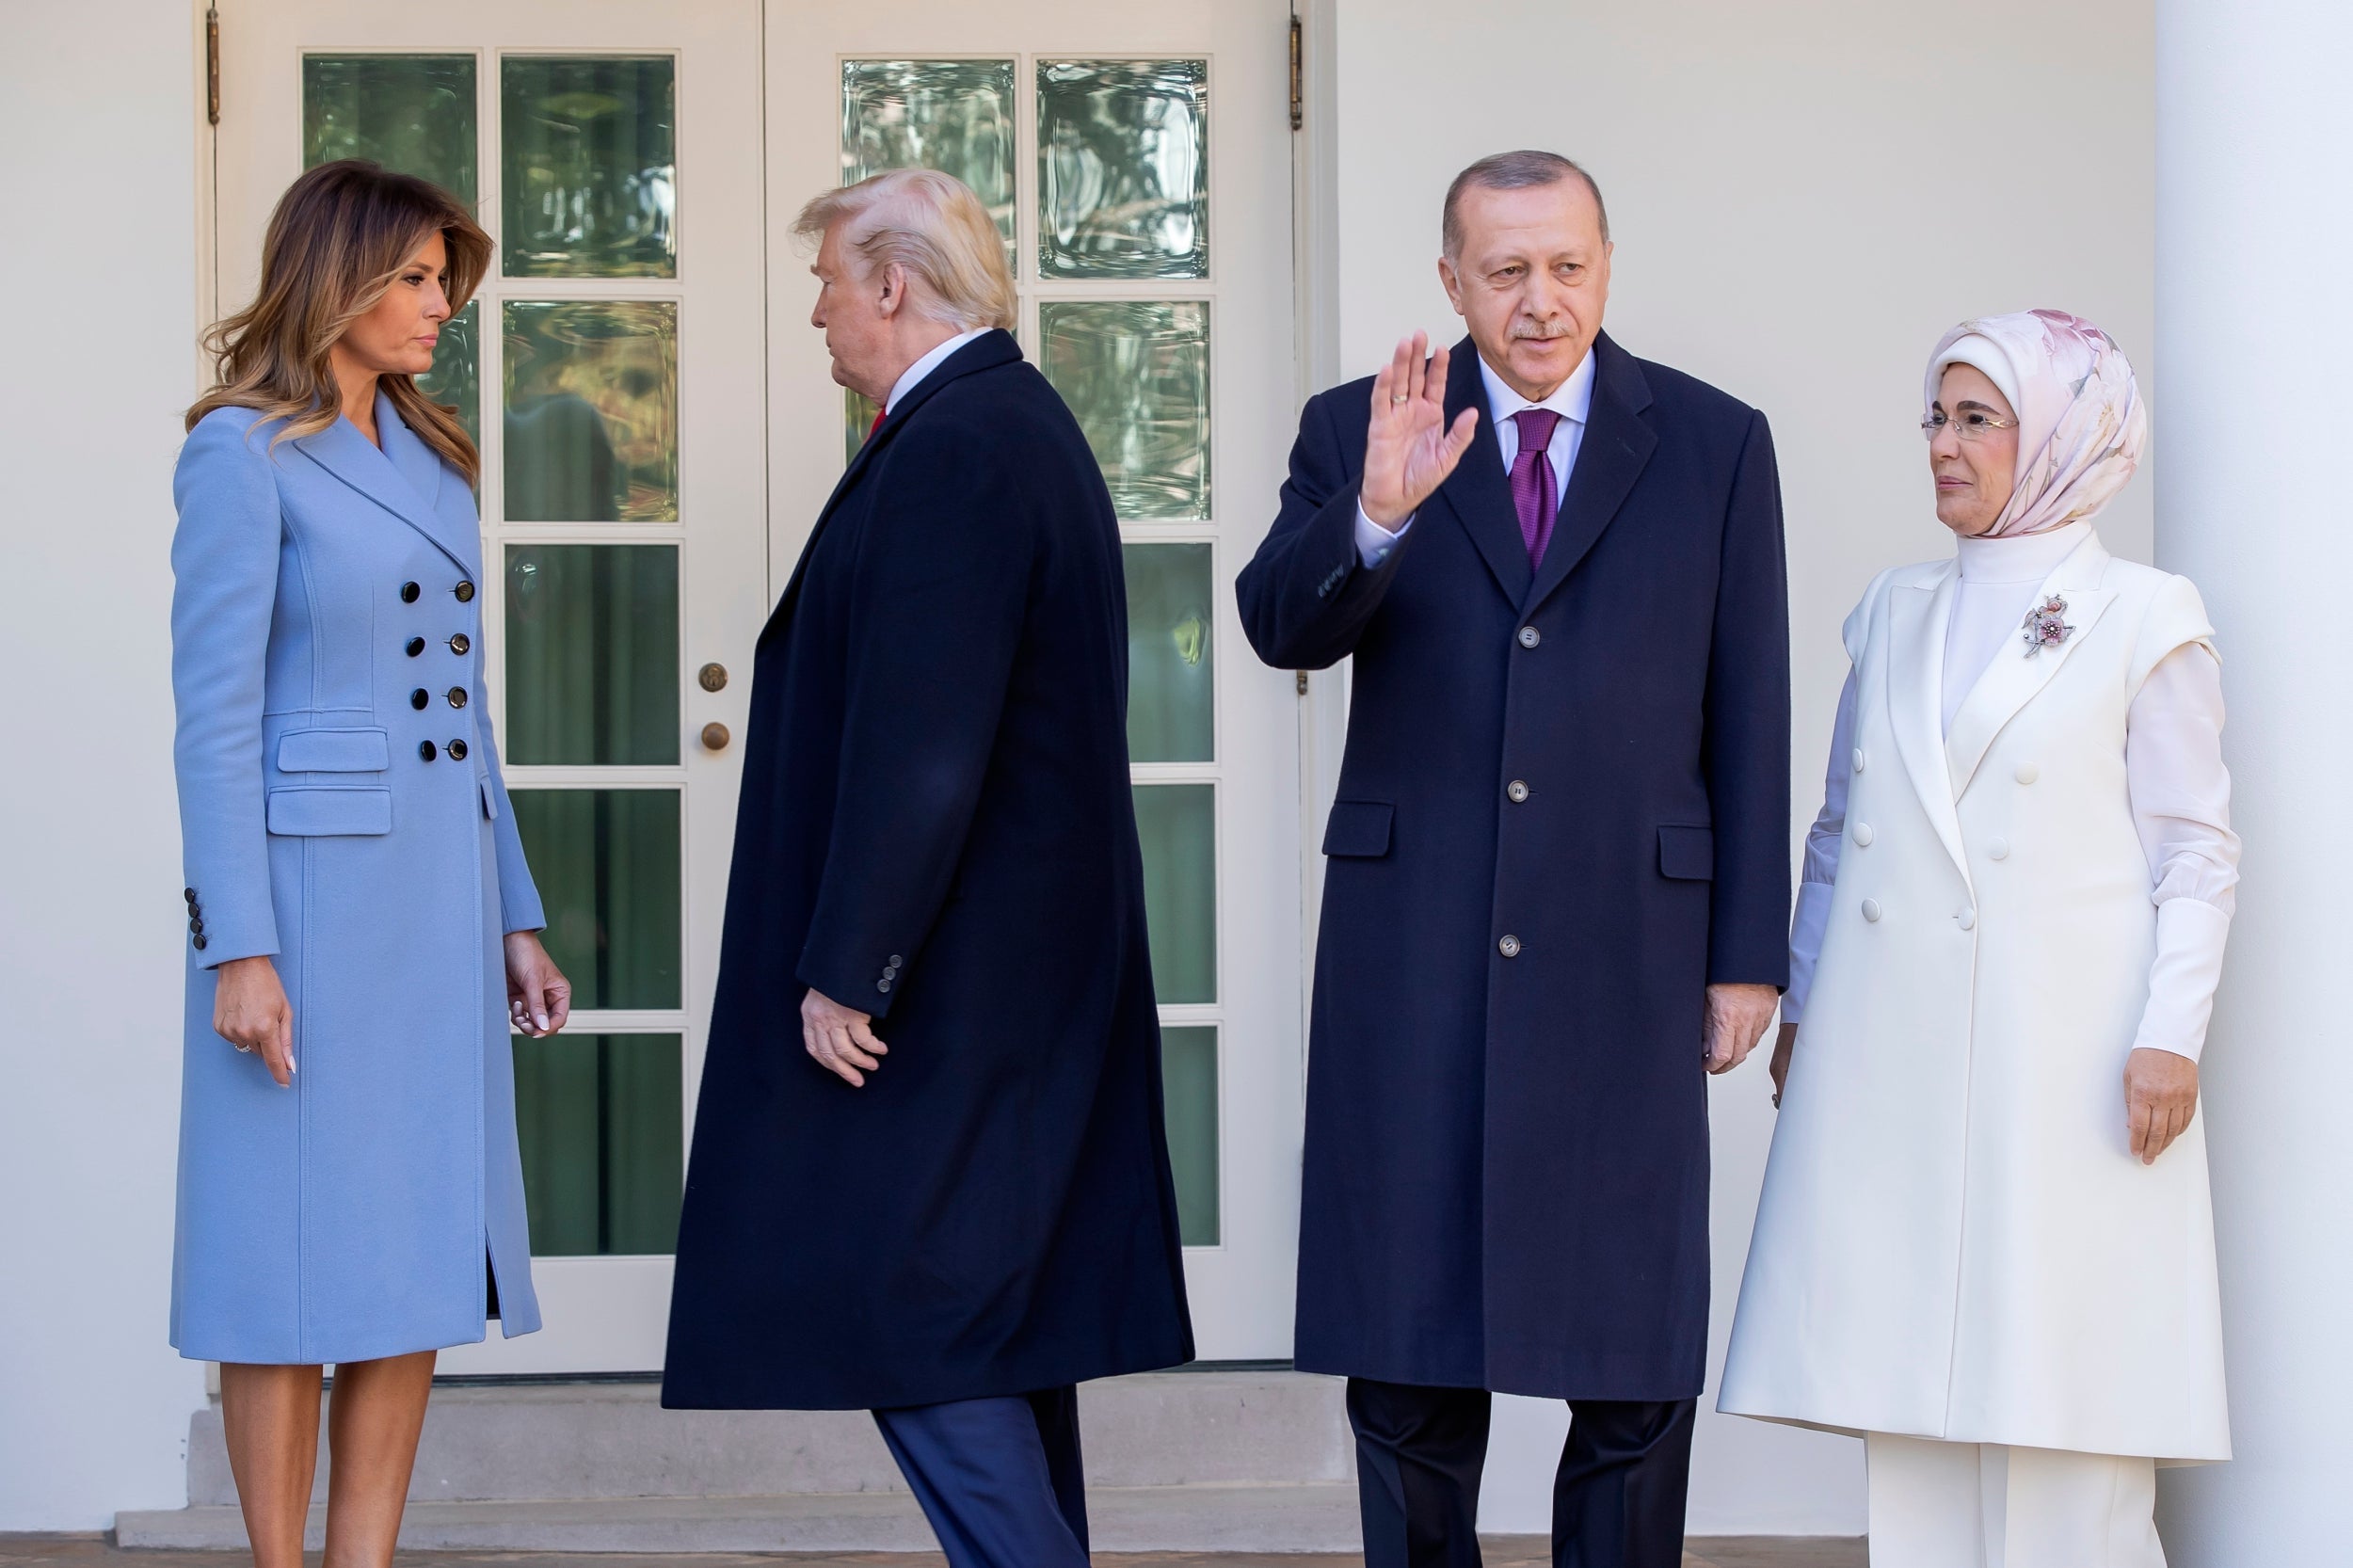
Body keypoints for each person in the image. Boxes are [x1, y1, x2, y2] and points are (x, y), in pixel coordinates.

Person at [1236, 150, 1790, 1568]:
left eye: (1567, 267)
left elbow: (1751, 708)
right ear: (1450, 281)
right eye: (1505, 271)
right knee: (1412, 1352)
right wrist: (1377, 515)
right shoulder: (1358, 428)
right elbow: (1280, 627)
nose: (1540, 302)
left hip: (1630, 949)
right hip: (1412, 948)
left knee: (1630, 1362)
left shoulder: (1719, 443)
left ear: (1606, 264)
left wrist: (1746, 955)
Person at [660, 168, 1193, 1568]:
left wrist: (851, 962)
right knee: (1000, 1320)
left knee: (915, 1312)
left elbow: (928, 743)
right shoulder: (1004, 422)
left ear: (891, 285)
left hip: (951, 987)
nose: (820, 315)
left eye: (828, 284)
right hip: (1006, 981)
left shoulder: (961, 445)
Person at [1719, 310, 2234, 1568]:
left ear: (2065, 433)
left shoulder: (2143, 612)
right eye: (1936, 419)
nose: (1943, 445)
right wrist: (1808, 1007)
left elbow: (2196, 852)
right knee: (1914, 1391)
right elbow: (1841, 831)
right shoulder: (1895, 608)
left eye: (1977, 418)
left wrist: (2172, 1035)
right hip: (1897, 1055)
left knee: (2073, 1392)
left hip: (2071, 1062)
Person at [171, 159, 571, 1568]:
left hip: (430, 912)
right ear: (331, 278)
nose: (441, 302)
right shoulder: (241, 450)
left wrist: (514, 913)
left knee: (409, 1250)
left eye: (444, 275)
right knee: (282, 1265)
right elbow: (212, 716)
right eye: (410, 275)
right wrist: (240, 945)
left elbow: (460, 719)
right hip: (306, 910)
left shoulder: (434, 454)